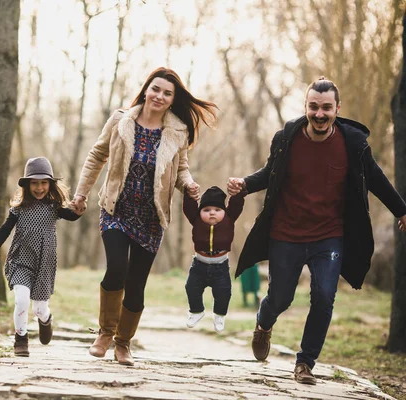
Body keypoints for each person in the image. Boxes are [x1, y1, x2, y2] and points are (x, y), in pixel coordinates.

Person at [228, 76, 406, 385]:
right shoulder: (286, 138)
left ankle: (305, 362)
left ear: (338, 108)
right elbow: (270, 173)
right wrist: (244, 184)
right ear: (306, 107)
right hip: (286, 233)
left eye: (326, 108)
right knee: (280, 298)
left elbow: (376, 180)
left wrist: (401, 210)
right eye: (313, 107)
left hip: (330, 235)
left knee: (324, 296)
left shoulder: (353, 144)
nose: (319, 114)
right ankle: (264, 321)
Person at [70, 67, 218, 366]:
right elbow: (97, 155)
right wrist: (81, 194)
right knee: (116, 270)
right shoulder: (120, 120)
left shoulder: (178, 131)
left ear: (172, 99)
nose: (159, 96)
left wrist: (188, 184)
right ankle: (105, 333)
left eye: (167, 93)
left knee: (136, 284)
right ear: (146, 89)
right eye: (156, 89)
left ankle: (123, 343)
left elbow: (181, 168)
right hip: (116, 209)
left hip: (151, 217)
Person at [0, 157, 81, 357]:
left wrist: (79, 208)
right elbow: (4, 229)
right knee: (21, 301)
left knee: (39, 309)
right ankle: (21, 339)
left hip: (45, 264)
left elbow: (71, 215)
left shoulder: (55, 207)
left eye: (44, 183)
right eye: (34, 183)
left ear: (50, 184)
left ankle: (46, 319)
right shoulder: (19, 209)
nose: (39, 187)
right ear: (27, 185)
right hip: (21, 261)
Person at [182, 186, 245, 332]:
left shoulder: (229, 220)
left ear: (224, 212)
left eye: (217, 210)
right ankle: (196, 311)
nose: (212, 213)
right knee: (191, 288)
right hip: (199, 265)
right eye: (206, 210)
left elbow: (236, 205)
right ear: (200, 212)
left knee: (224, 292)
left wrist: (239, 193)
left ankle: (219, 315)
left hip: (221, 266)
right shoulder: (196, 220)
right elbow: (189, 207)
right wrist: (189, 194)